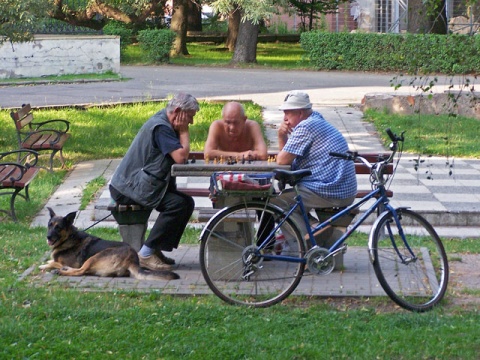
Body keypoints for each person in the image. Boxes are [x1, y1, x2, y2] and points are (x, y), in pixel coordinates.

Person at [109, 93, 199, 271]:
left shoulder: (164, 120)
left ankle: (155, 249)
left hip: (138, 185)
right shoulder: (161, 127)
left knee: (186, 202)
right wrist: (184, 131)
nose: (191, 123)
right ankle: (145, 254)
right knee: (178, 205)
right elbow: (180, 158)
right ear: (178, 111)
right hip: (128, 189)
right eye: (190, 117)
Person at [267, 90, 358, 247]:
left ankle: (306, 246)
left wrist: (281, 137)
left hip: (330, 189)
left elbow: (282, 160)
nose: (284, 118)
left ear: (300, 113)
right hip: (339, 187)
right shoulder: (317, 120)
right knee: (291, 201)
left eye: (287, 113)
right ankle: (315, 230)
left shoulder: (306, 126)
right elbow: (288, 162)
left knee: (275, 202)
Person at [204, 101, 268, 161]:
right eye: (228, 122)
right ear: (223, 119)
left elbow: (263, 154)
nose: (232, 127)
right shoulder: (216, 126)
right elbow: (207, 153)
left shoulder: (252, 126)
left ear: (244, 120)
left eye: (236, 123)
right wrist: (239, 156)